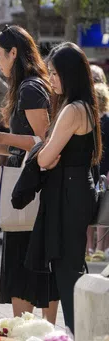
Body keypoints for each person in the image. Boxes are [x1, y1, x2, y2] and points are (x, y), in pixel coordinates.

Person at [0, 25, 59, 322]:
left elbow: (44, 142)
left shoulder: (30, 87)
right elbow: (27, 150)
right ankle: (42, 329)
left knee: (22, 267)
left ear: (14, 53)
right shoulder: (32, 86)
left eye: (0, 55)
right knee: (34, 266)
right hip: (31, 185)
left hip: (29, 191)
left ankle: (31, 329)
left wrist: (2, 139)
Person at [32, 42, 100, 333]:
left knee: (67, 270)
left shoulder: (73, 109)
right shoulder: (86, 105)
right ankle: (78, 329)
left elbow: (45, 157)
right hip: (76, 189)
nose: (51, 80)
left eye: (55, 74)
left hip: (70, 193)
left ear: (70, 74)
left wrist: (45, 155)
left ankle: (77, 331)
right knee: (70, 266)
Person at [86, 69, 109, 262]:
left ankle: (100, 248)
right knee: (90, 209)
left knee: (103, 207)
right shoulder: (88, 118)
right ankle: (89, 248)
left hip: (104, 169)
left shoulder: (106, 120)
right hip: (91, 169)